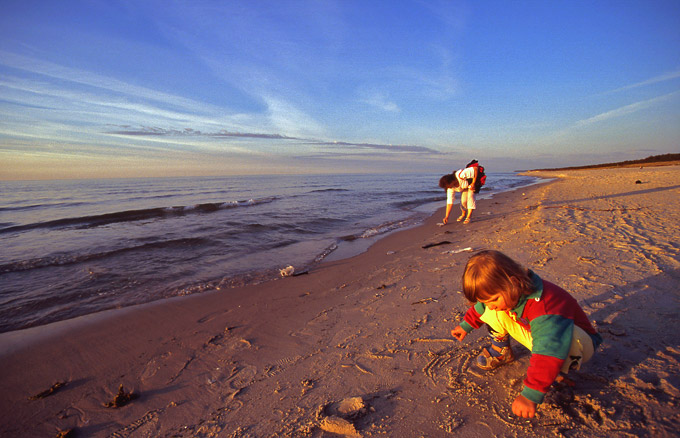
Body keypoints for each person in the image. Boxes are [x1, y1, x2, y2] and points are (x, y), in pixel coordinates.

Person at [450, 250, 603, 418]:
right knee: (494, 312)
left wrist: (531, 394)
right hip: (544, 333)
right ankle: (502, 350)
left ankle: (558, 370)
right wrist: (466, 325)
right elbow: (483, 307)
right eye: (486, 301)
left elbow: (548, 349)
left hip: (576, 344)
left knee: (551, 349)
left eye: (493, 299)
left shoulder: (543, 306)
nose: (491, 305)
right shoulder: (509, 293)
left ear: (513, 283)